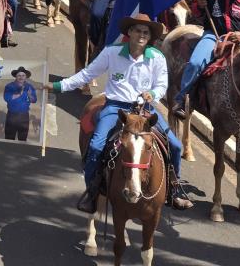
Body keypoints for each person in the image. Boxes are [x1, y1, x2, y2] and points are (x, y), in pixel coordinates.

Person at [48, 13, 192, 212]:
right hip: (115, 108)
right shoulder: (111, 52)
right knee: (97, 146)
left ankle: (174, 192)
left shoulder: (157, 57)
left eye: (146, 32)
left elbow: (161, 86)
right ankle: (92, 191)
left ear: (149, 36)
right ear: (130, 32)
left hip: (144, 112)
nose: (141, 35)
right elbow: (87, 74)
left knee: (175, 146)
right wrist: (57, 86)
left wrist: (152, 94)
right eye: (138, 31)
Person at [4, 67, 37, 141]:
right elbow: (6, 98)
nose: (21, 77)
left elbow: (34, 100)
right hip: (12, 115)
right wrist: (19, 94)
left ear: (26, 77)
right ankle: (7, 151)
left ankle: (19, 151)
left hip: (24, 116)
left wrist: (29, 95)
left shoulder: (30, 87)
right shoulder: (9, 86)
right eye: (19, 75)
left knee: (22, 138)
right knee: (9, 138)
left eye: (23, 75)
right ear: (16, 76)